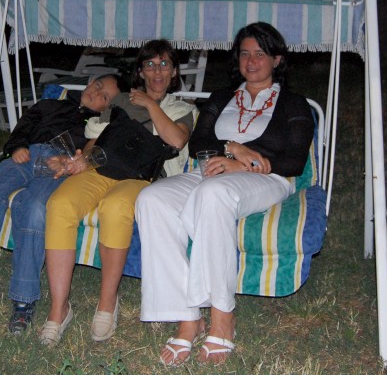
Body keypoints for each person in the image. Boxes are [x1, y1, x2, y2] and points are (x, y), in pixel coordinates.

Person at [135, 22, 315, 366]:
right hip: (211, 170)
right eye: (245, 53)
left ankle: (222, 316)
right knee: (152, 198)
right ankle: (187, 315)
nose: (251, 61)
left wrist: (246, 163)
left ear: (277, 59)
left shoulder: (293, 103)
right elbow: (199, 143)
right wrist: (233, 148)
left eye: (260, 53)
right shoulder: (222, 98)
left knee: (213, 194)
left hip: (267, 178)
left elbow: (295, 159)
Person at [0, 73, 127, 335]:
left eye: (104, 96)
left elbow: (95, 155)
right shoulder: (50, 105)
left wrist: (72, 161)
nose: (95, 93)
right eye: (97, 86)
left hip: (59, 165)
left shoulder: (99, 125)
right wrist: (17, 146)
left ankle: (23, 299)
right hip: (26, 156)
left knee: (34, 208)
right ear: (90, 81)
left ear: (109, 106)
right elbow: (24, 126)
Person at [38, 39, 197, 346]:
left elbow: (176, 140)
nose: (157, 72)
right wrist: (82, 159)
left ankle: (107, 302)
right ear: (141, 71)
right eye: (150, 65)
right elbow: (97, 137)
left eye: (164, 64)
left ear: (174, 71)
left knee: (115, 207)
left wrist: (150, 104)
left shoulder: (184, 109)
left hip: (143, 176)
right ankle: (59, 308)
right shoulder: (122, 100)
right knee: (60, 204)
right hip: (102, 167)